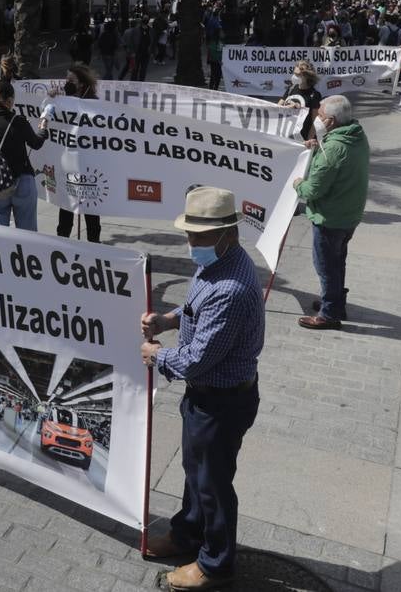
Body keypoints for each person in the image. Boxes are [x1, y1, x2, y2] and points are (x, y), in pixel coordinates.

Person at [139, 186, 262, 591]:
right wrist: (168, 320)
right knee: (196, 473)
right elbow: (194, 305)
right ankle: (187, 534)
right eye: (189, 233)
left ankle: (215, 565)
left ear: (227, 234)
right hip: (208, 396)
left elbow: (195, 360)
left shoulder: (231, 288)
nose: (190, 242)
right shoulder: (219, 263)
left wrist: (156, 354)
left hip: (222, 402)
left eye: (198, 236)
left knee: (212, 484)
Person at [294, 95, 369, 329]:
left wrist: (297, 183)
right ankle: (335, 303)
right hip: (349, 214)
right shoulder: (356, 135)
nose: (316, 118)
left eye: (321, 116)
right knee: (337, 263)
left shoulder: (333, 149)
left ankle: (329, 315)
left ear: (332, 121)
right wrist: (318, 144)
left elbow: (313, 190)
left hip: (330, 218)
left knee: (326, 266)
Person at [0, 79, 47, 231]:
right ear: (9, 100)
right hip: (22, 180)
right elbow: (36, 144)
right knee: (27, 233)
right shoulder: (19, 121)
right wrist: (43, 129)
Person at [53, 63, 101, 243]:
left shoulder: (94, 104)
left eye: (71, 80)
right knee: (65, 207)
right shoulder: (63, 101)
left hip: (89, 167)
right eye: (66, 80)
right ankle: (63, 241)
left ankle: (94, 244)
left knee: (91, 210)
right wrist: (53, 100)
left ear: (81, 83)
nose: (67, 83)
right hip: (69, 166)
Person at [278, 60, 322, 140]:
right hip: (285, 135)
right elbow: (277, 107)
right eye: (294, 73)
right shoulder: (291, 89)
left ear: (306, 76)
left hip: (301, 138)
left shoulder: (314, 95)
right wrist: (288, 107)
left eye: (298, 75)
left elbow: (315, 121)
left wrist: (309, 139)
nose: (294, 76)